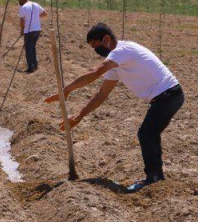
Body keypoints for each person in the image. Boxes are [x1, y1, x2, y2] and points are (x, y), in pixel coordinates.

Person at [44, 23, 183, 192]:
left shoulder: (122, 51)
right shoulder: (117, 63)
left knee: (147, 133)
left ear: (107, 39)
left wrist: (67, 89)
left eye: (96, 45)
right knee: (149, 133)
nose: (96, 50)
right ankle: (155, 176)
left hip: (169, 94)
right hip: (167, 96)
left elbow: (95, 71)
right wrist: (80, 115)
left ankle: (154, 178)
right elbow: (102, 93)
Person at [17, 0, 47, 73]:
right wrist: (35, 16)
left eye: (19, 0)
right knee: (33, 47)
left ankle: (30, 68)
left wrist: (22, 31)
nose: (19, 2)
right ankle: (35, 65)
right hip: (37, 30)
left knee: (28, 49)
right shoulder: (35, 4)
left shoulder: (24, 7)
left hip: (29, 31)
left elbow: (22, 21)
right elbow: (44, 14)